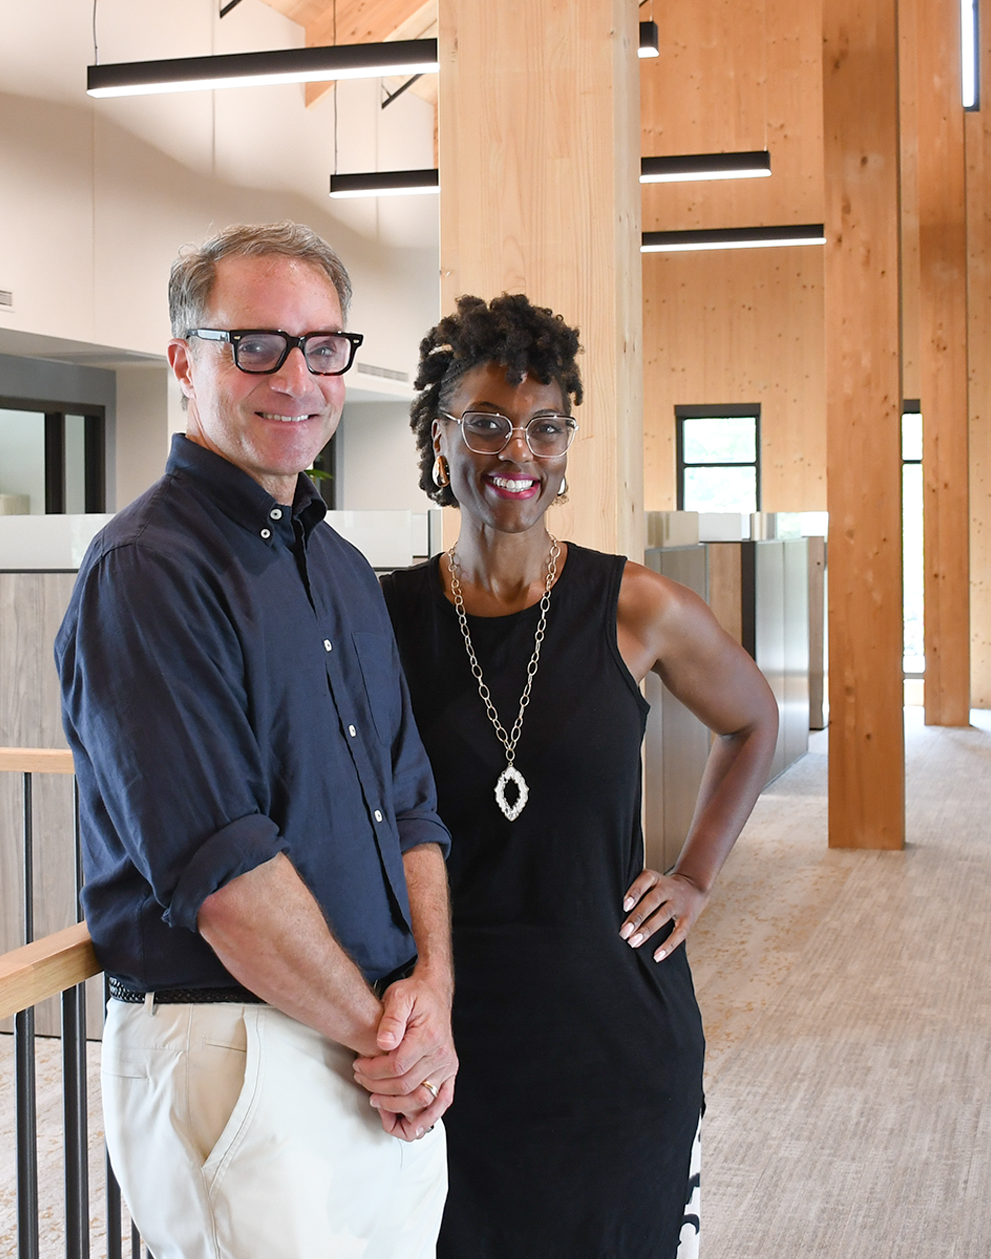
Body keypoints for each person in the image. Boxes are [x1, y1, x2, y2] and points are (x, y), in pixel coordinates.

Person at [55, 222, 455, 1259]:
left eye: (324, 347)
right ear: (185, 359)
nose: (299, 377)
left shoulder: (342, 573)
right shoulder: (147, 572)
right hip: (240, 1048)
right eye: (258, 344)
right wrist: (390, 1038)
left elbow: (412, 809)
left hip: (377, 1046)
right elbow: (225, 873)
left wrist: (434, 997)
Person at [381, 293, 782, 1259]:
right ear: (438, 440)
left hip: (615, 1031)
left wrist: (695, 874)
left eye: (545, 427)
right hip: (451, 1039)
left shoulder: (634, 607)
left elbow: (753, 720)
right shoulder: (383, 618)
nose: (516, 450)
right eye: (485, 422)